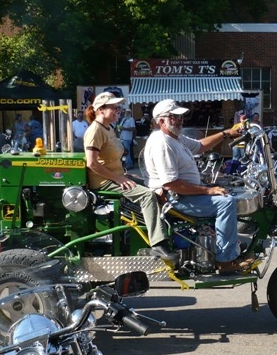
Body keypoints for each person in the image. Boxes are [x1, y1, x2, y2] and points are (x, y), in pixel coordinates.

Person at [142, 99, 251, 275]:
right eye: (174, 117)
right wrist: (208, 190)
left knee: (227, 190)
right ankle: (226, 261)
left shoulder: (175, 138)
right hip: (177, 198)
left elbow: (200, 146)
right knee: (226, 202)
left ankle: (230, 244)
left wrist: (227, 133)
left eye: (180, 116)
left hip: (186, 194)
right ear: (161, 121)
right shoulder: (162, 143)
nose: (180, 120)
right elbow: (171, 184)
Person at [83, 92, 175, 260]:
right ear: (100, 110)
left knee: (154, 185)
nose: (118, 110)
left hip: (115, 176)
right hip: (103, 182)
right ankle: (158, 244)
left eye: (118, 107)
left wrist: (123, 175)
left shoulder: (109, 128)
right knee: (147, 196)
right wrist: (118, 178)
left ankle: (160, 228)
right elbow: (92, 163)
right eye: (114, 107)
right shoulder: (95, 131)